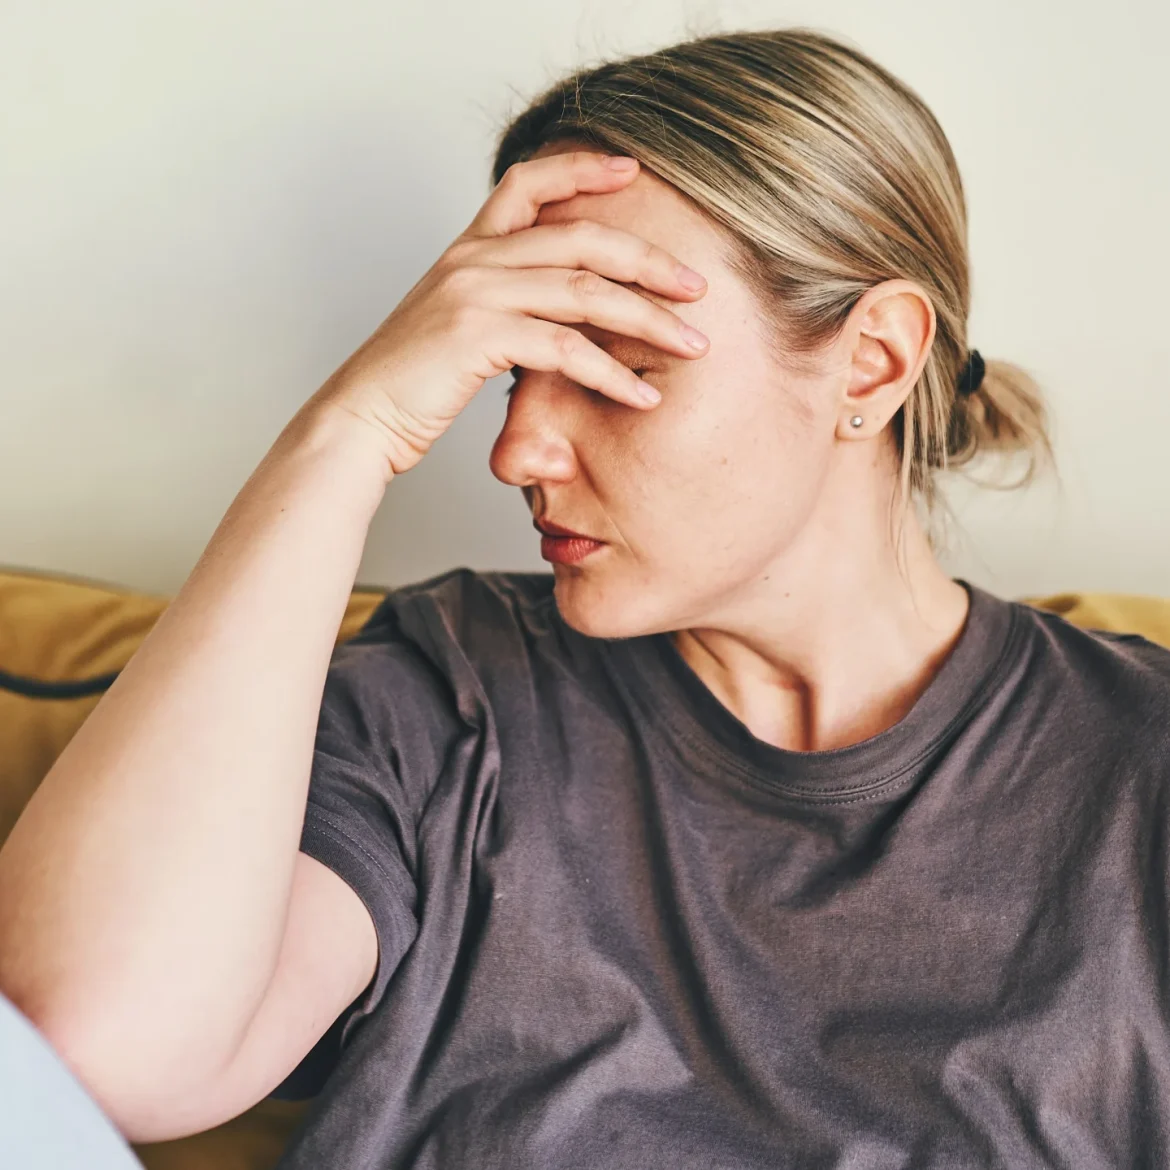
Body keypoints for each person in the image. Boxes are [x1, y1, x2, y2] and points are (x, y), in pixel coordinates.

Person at [0, 24, 1167, 1168]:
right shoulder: (446, 698)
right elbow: (88, 1051)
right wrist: (353, 431)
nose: (517, 453)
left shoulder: (1139, 772)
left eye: (615, 369)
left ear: (872, 361)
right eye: (518, 369)